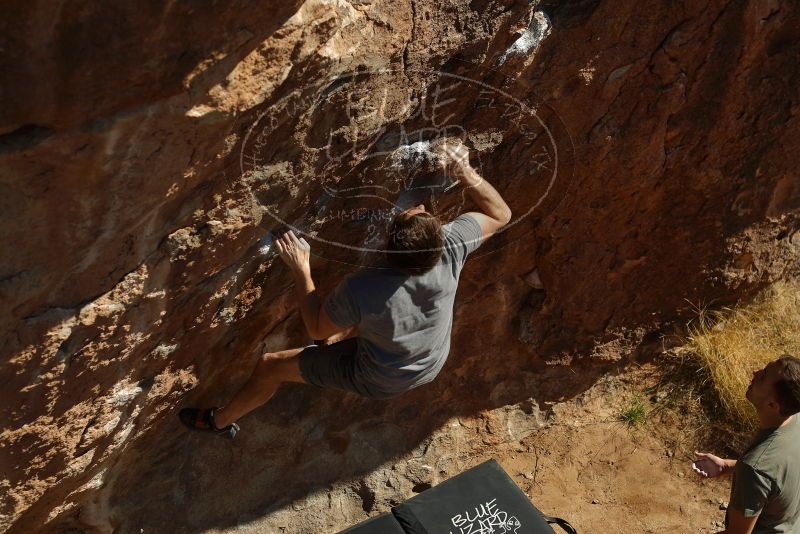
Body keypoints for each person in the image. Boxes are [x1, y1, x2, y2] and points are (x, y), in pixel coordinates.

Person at [179, 142, 511, 438]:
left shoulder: (364, 287)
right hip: (429, 360)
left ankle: (219, 422)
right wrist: (465, 170)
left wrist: (301, 270)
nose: (420, 206)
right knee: (345, 331)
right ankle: (337, 344)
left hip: (380, 377)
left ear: (388, 245)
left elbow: (316, 326)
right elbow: (501, 214)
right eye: (419, 210)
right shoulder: (452, 247)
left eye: (417, 211)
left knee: (270, 365)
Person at [692, 355, 800, 534]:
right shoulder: (795, 420)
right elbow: (776, 475)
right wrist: (727, 466)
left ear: (772, 404)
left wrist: (746, 470)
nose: (755, 372)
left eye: (763, 375)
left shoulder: (756, 468)